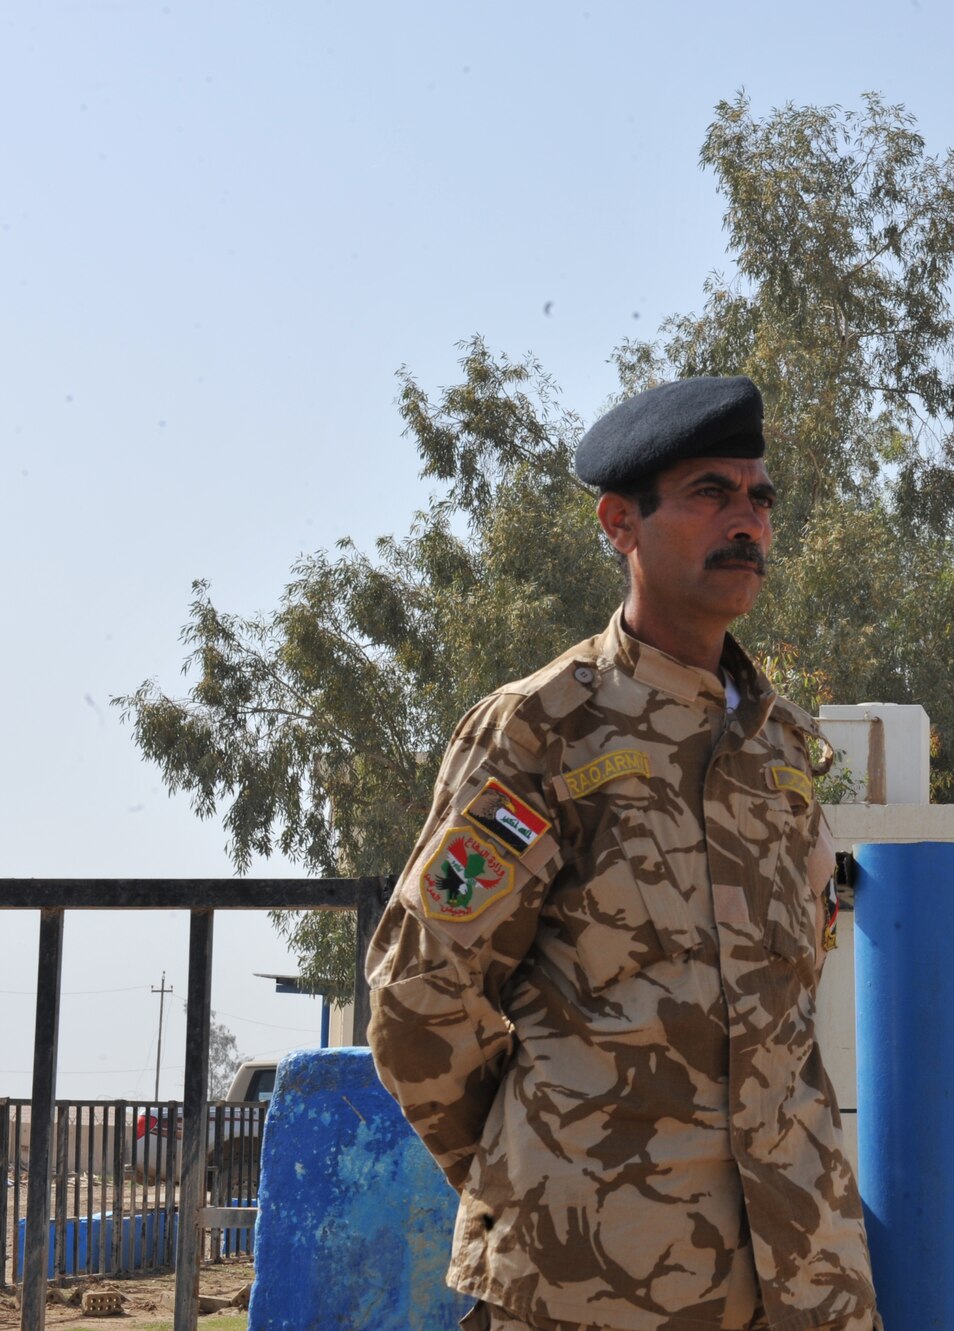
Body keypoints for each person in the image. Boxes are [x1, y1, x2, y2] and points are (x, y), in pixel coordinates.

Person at [367, 375, 877, 1331]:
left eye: (759, 497)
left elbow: (785, 1012)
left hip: (802, 1283)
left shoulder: (784, 748)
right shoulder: (544, 731)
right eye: (709, 494)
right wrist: (546, 1163)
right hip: (589, 1288)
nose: (747, 522)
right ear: (619, 523)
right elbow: (420, 999)